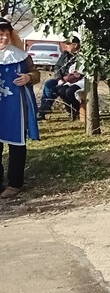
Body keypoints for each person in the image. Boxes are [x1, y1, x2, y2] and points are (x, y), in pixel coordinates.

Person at [0, 17, 40, 199]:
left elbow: (36, 73)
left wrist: (29, 78)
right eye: (1, 35)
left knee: (17, 145)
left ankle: (15, 184)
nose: (5, 39)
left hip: (15, 107)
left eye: (7, 35)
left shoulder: (21, 56)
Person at [37, 36, 82, 119]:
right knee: (49, 84)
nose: (66, 46)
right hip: (62, 78)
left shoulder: (81, 57)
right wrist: (59, 78)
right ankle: (45, 108)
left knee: (61, 90)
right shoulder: (65, 54)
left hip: (75, 81)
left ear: (75, 45)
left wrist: (65, 80)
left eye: (68, 44)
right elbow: (57, 67)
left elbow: (79, 74)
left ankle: (74, 111)